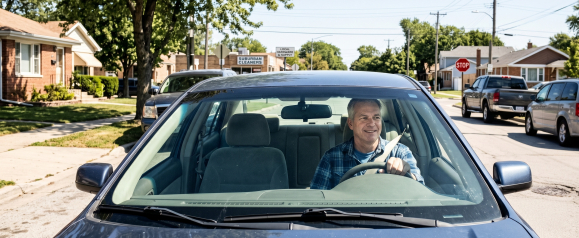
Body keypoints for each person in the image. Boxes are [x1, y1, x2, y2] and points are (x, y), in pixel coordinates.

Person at [310, 99, 424, 190]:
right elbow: (317, 201)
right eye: (364, 118)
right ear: (350, 123)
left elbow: (421, 190)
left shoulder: (400, 152)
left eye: (376, 117)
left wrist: (407, 174)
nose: (372, 123)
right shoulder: (331, 158)